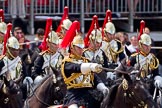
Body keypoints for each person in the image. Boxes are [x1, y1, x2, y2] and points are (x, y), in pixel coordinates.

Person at [61, 21, 109, 108]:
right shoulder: (67, 62)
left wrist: (102, 87)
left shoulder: (86, 60)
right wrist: (91, 66)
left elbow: (94, 78)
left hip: (90, 93)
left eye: (82, 47)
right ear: (72, 47)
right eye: (78, 47)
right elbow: (77, 68)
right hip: (74, 95)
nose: (81, 50)